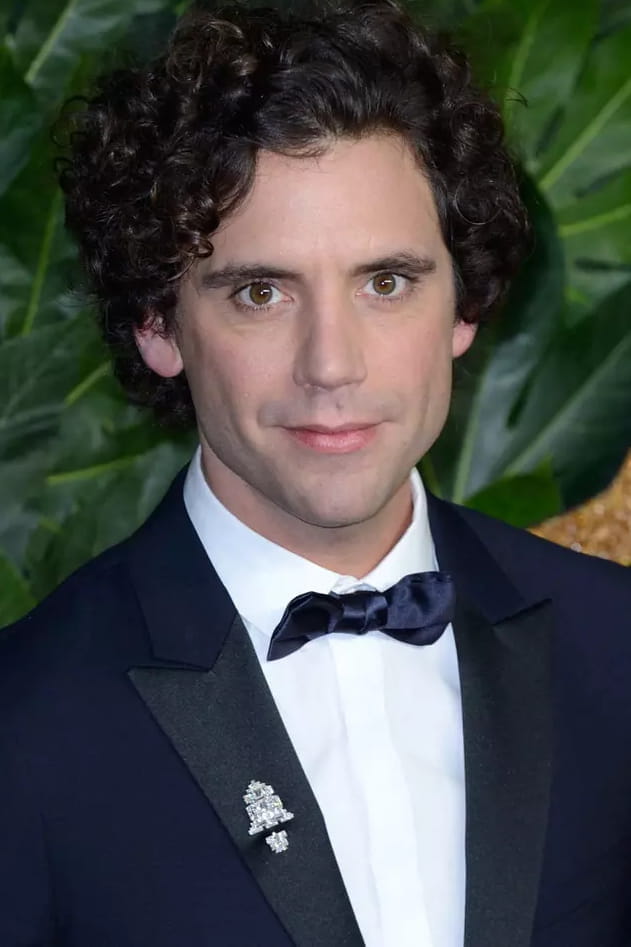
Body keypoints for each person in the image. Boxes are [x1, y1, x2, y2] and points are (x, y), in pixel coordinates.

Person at [1, 0, 629, 944]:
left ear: (463, 304)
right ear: (158, 323)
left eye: (386, 282)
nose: (331, 364)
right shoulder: (25, 721)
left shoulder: (615, 649)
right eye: (261, 292)